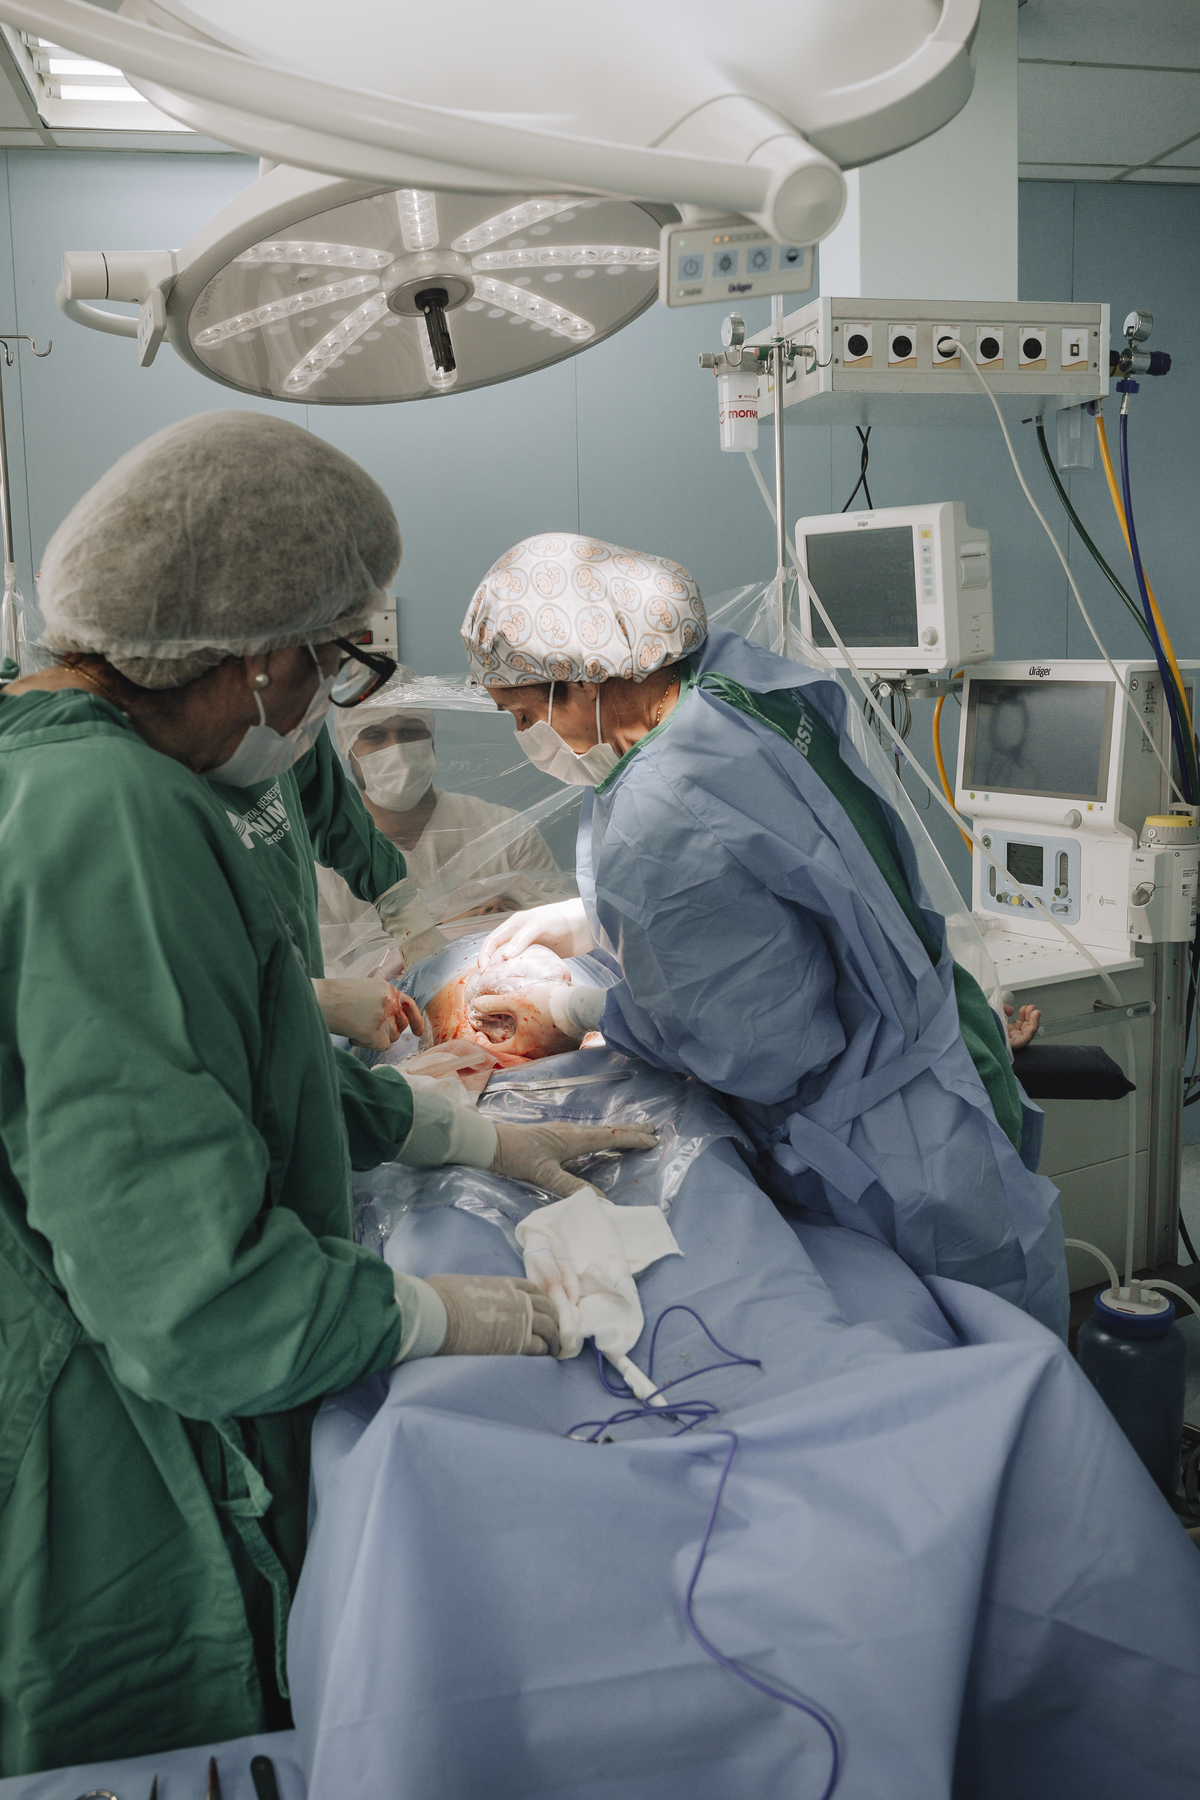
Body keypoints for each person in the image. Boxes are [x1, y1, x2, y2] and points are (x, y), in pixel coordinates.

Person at [0, 421, 654, 1776]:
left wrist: (467, 1131)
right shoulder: (111, 811)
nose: (334, 707)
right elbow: (195, 1304)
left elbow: (233, 1065)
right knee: (160, 1730)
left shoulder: (94, 765)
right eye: (338, 660)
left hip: (106, 1342)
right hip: (96, 1422)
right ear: (257, 656)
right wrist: (449, 1314)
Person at [462, 532, 1068, 1337]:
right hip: (939, 1040)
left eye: (526, 715)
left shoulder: (659, 817)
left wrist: (577, 1010)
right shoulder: (736, 686)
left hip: (895, 1148)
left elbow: (759, 1049)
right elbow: (781, 863)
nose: (532, 737)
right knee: (1018, 1327)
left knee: (979, 1354)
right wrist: (595, 916)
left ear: (585, 676)